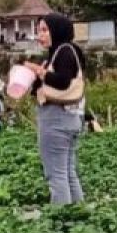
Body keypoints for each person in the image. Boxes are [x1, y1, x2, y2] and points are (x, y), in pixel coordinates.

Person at [23, 13, 85, 205]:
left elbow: (62, 82)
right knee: (67, 172)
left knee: (56, 175)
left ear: (56, 31)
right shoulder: (70, 51)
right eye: (38, 30)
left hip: (57, 120)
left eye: (44, 30)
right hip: (72, 118)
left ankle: (61, 225)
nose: (39, 35)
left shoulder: (64, 51)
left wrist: (40, 72)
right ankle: (79, 217)